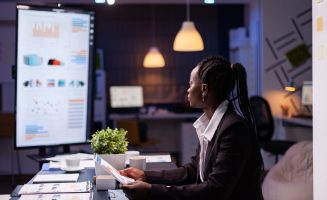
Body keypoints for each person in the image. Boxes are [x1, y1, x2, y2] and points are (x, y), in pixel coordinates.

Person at [120, 56, 264, 200]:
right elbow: (193, 170)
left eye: (190, 84)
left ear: (204, 89)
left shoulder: (233, 129)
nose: (188, 90)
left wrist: (152, 190)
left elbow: (216, 190)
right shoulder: (212, 123)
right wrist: (146, 176)